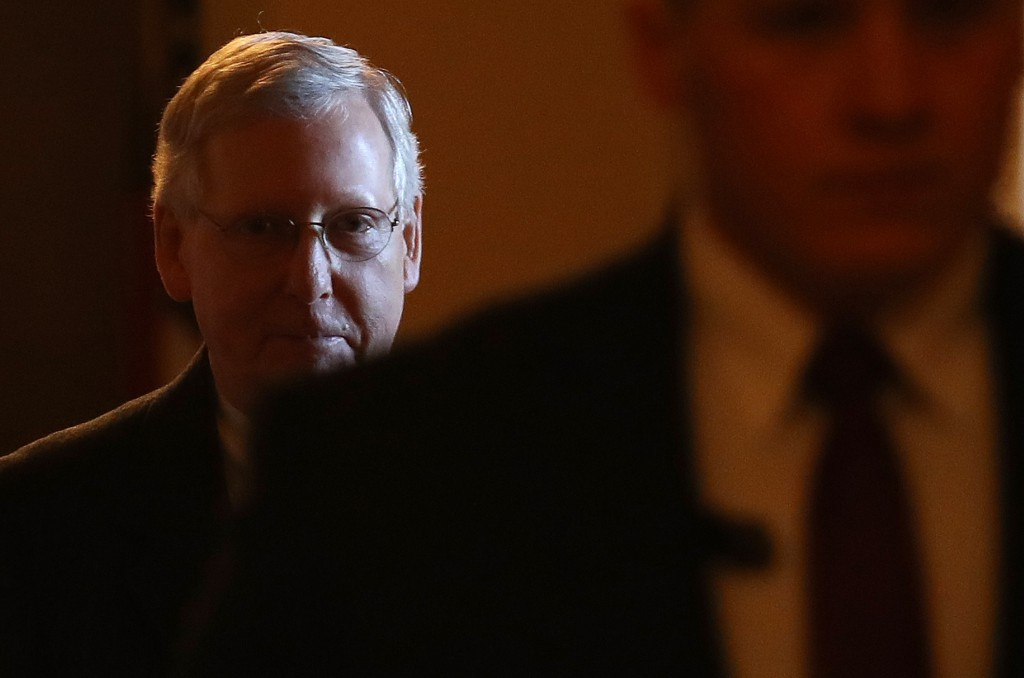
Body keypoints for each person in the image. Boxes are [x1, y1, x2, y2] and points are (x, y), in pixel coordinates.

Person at [190, 2, 1024, 676]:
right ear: (664, 47)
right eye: (802, 21)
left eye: (951, 15)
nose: (891, 99)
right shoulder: (393, 468)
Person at [0, 30, 422, 676]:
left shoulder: (534, 503)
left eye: (353, 225)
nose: (310, 280)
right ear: (172, 247)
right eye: (263, 228)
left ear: (410, 242)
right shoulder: (34, 527)